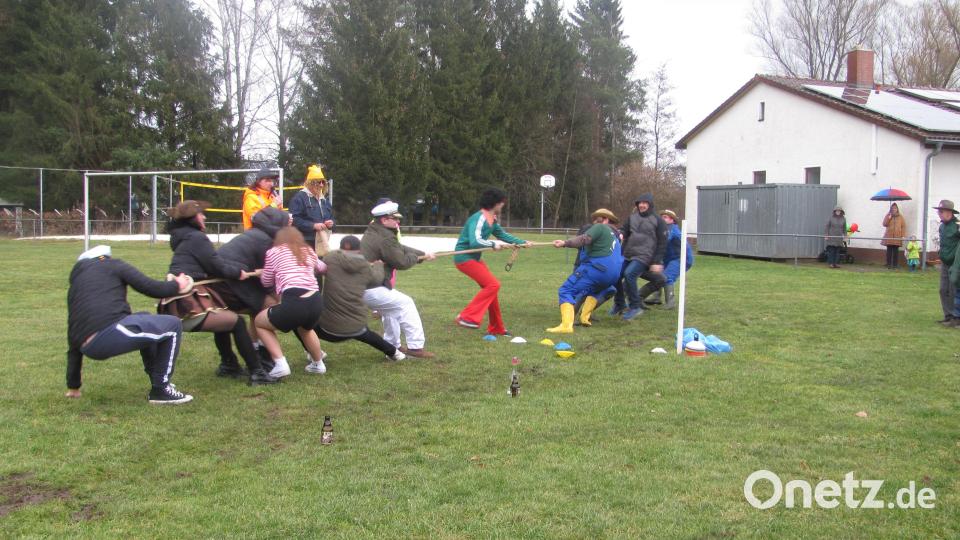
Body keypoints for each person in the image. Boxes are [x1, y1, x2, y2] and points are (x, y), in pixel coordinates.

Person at [159, 200, 278, 386]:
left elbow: (213, 264)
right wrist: (238, 272)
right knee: (237, 322)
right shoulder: (196, 238)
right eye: (201, 214)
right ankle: (257, 373)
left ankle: (229, 365)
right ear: (192, 219)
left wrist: (235, 270)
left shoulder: (185, 237)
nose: (204, 217)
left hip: (178, 301)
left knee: (223, 317)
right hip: (185, 303)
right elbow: (216, 265)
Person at [66, 245, 195, 405]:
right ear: (106, 257)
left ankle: (157, 380)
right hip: (109, 333)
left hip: (88, 346)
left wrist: (73, 386)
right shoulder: (113, 265)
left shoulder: (76, 287)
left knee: (146, 318)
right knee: (173, 325)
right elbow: (151, 287)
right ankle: (161, 390)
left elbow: (72, 339)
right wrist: (178, 285)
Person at [216, 206, 291, 369]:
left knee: (258, 310)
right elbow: (267, 279)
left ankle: (255, 349)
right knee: (269, 308)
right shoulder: (266, 242)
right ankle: (264, 357)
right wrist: (282, 300)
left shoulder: (252, 235)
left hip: (221, 282)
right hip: (232, 283)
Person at [360, 201, 436, 358]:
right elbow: (401, 262)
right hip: (371, 287)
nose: (398, 221)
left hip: (364, 286)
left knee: (391, 309)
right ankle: (416, 349)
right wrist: (416, 258)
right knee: (406, 303)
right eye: (394, 218)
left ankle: (392, 346)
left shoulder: (375, 231)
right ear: (384, 220)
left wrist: (424, 254)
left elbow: (399, 248)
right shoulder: (385, 237)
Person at [316, 236, 406, 361]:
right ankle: (395, 353)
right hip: (357, 326)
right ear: (359, 250)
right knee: (366, 334)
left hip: (328, 329)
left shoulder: (330, 258)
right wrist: (379, 265)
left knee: (301, 325)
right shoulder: (365, 268)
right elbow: (377, 279)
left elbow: (329, 257)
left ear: (342, 247)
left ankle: (314, 353)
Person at [453, 188, 529, 334]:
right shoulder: (479, 218)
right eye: (501, 203)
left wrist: (523, 242)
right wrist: (494, 244)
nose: (502, 206)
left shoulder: (492, 220)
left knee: (491, 289)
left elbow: (502, 235)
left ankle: (496, 328)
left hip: (475, 258)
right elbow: (475, 242)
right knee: (493, 285)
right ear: (495, 203)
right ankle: (467, 316)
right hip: (464, 258)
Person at [255, 227, 327, 376]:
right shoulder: (307, 250)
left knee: (259, 322)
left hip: (295, 300)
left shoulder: (273, 252)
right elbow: (322, 268)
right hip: (315, 300)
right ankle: (318, 364)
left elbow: (267, 282)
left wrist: (262, 273)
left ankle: (280, 364)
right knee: (305, 329)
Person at [546, 209, 623, 333]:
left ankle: (566, 326)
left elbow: (584, 239)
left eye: (598, 218)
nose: (595, 221)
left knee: (566, 290)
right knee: (597, 290)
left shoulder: (600, 227)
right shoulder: (616, 237)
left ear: (606, 219)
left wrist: (565, 243)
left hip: (598, 268)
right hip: (614, 275)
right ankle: (584, 318)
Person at [609, 193, 668, 321]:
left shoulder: (658, 221)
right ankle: (619, 304)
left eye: (644, 203)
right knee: (616, 275)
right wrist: (621, 233)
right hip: (628, 253)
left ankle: (635, 306)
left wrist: (657, 261)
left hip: (645, 255)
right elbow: (624, 229)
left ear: (650, 204)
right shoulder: (632, 218)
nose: (641, 205)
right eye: (639, 203)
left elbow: (662, 243)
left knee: (630, 274)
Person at [288, 164, 335, 255]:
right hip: (305, 242)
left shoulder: (324, 200)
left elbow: (332, 218)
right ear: (310, 183)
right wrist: (312, 225)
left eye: (323, 182)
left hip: (322, 241)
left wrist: (331, 223)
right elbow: (294, 220)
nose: (321, 185)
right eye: (318, 182)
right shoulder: (299, 198)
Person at [655, 209, 693, 309]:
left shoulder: (671, 228)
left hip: (682, 258)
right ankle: (656, 298)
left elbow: (664, 240)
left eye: (665, 217)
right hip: (670, 258)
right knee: (656, 274)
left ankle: (670, 303)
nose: (662, 219)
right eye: (661, 217)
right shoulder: (664, 228)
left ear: (672, 220)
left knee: (667, 277)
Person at [934, 200, 960, 326]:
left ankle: (956, 317)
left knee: (954, 289)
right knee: (943, 289)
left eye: (941, 211)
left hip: (955, 264)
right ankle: (948, 315)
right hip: (945, 263)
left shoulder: (958, 225)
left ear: (949, 212)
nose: (939, 213)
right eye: (939, 211)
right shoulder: (942, 226)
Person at [881, 202, 906, 269]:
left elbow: (903, 226)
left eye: (895, 208)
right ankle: (888, 264)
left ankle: (895, 264)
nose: (894, 209)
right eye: (893, 208)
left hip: (897, 236)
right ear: (891, 209)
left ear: (897, 209)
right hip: (889, 236)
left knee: (895, 251)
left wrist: (903, 235)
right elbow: (884, 224)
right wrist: (889, 218)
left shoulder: (900, 217)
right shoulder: (888, 215)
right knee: (889, 251)